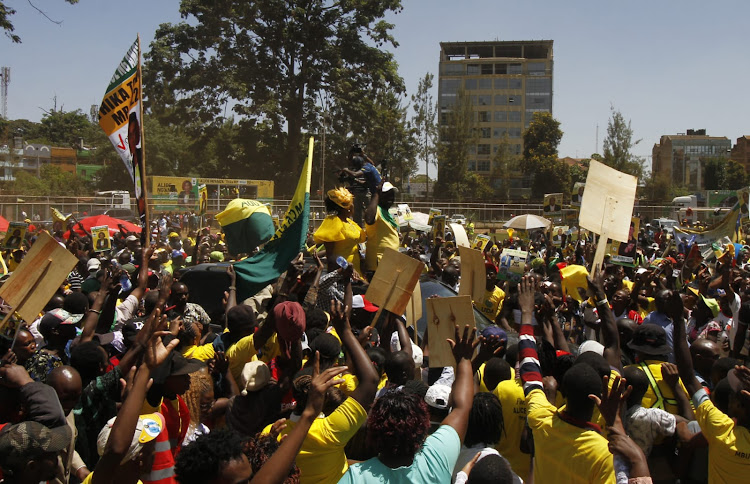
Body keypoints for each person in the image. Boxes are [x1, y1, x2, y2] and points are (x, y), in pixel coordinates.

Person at [339, 324, 476, 483]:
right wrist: (464, 359)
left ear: (373, 430)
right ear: (423, 427)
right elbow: (462, 407)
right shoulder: (437, 455)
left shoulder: (354, 477)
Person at [670, 290, 750, 482]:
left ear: (736, 406)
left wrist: (678, 320)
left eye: (734, 397)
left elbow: (689, 378)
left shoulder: (720, 427)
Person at [313, 188, 366, 275]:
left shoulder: (351, 223)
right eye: (351, 203)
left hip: (357, 271)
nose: (354, 205)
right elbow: (331, 256)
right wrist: (347, 267)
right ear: (348, 207)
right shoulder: (333, 222)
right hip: (342, 273)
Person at [364, 182, 399, 274]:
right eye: (387, 195)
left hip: (390, 262)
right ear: (380, 195)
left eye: (392, 195)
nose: (391, 198)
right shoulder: (377, 210)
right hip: (378, 263)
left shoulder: (387, 213)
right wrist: (376, 194)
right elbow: (369, 219)